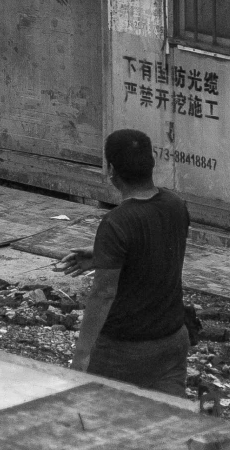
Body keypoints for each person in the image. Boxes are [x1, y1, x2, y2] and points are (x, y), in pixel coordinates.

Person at [61, 129, 191, 397]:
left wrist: (82, 356)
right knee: (167, 425)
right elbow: (155, 252)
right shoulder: (176, 205)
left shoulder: (116, 222)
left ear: (112, 171)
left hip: (124, 350)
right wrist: (103, 255)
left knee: (97, 420)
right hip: (172, 340)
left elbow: (103, 294)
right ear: (151, 164)